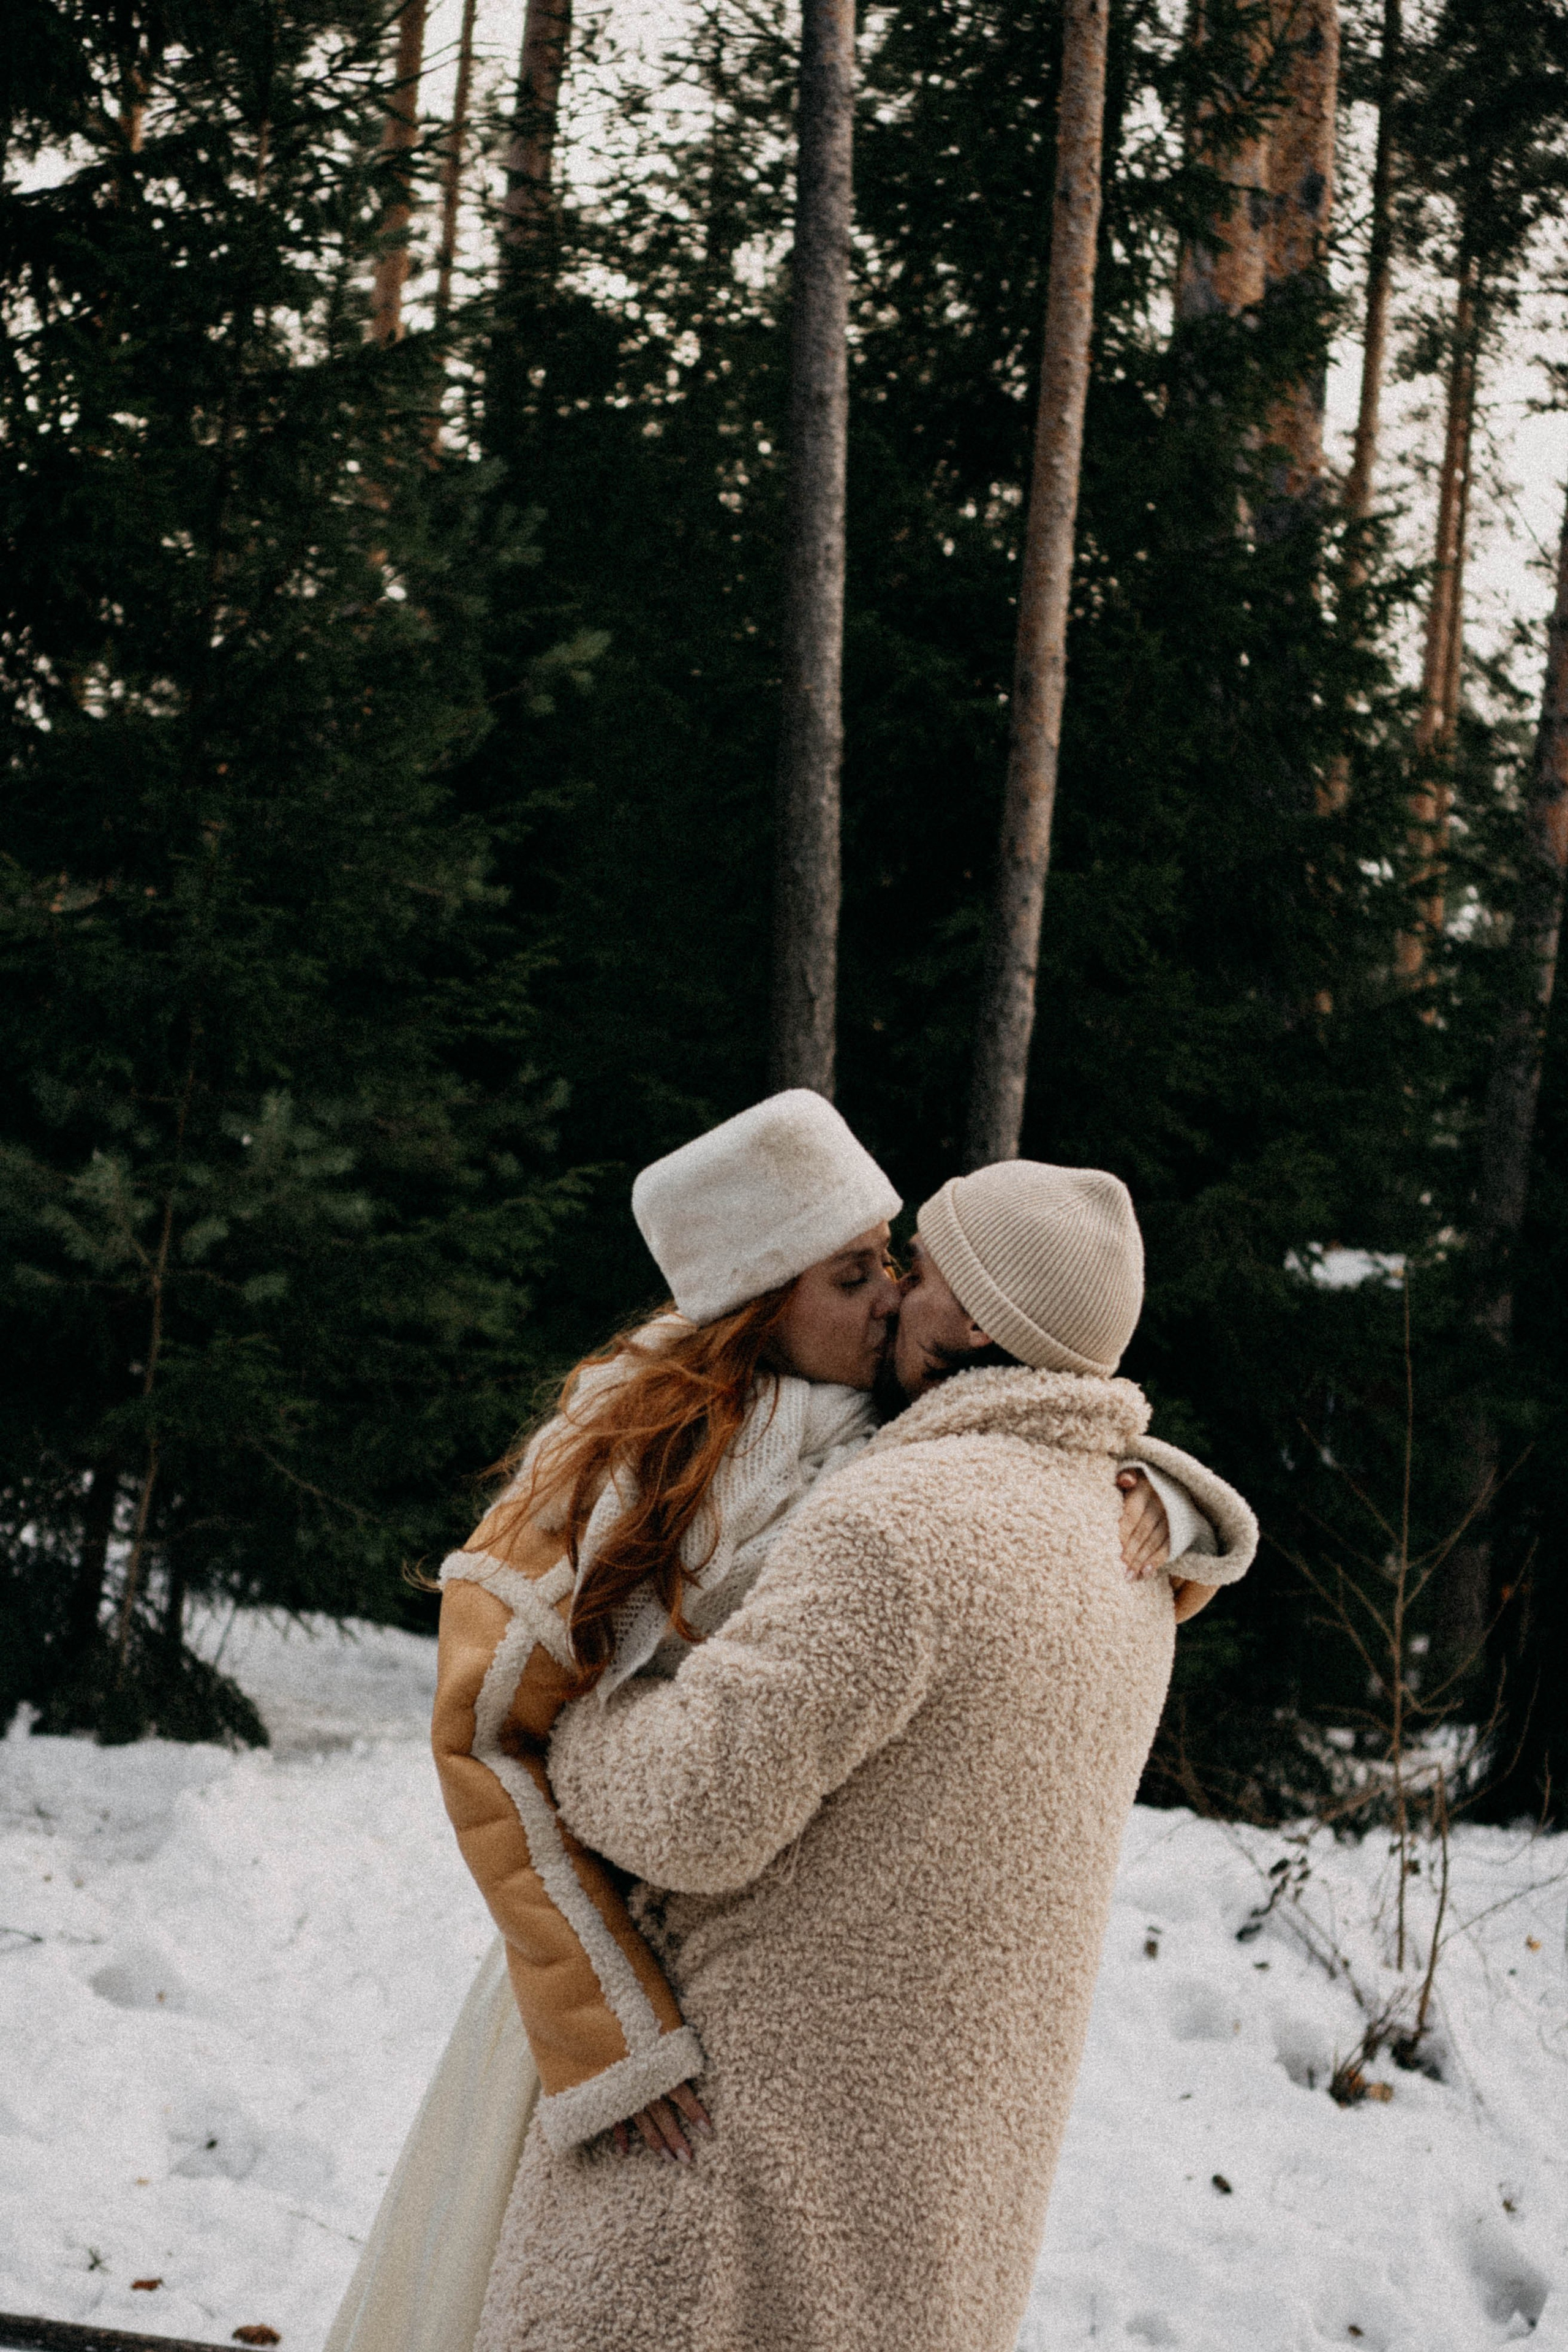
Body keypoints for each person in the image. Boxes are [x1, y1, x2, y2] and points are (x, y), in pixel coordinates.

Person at [471, 1153, 1257, 2352]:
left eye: (923, 1270)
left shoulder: (899, 1525)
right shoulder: (1128, 1542)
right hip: (937, 2209)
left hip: (731, 2189)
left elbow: (692, 1812)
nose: (895, 1295)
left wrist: (586, 1722)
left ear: (982, 1321)